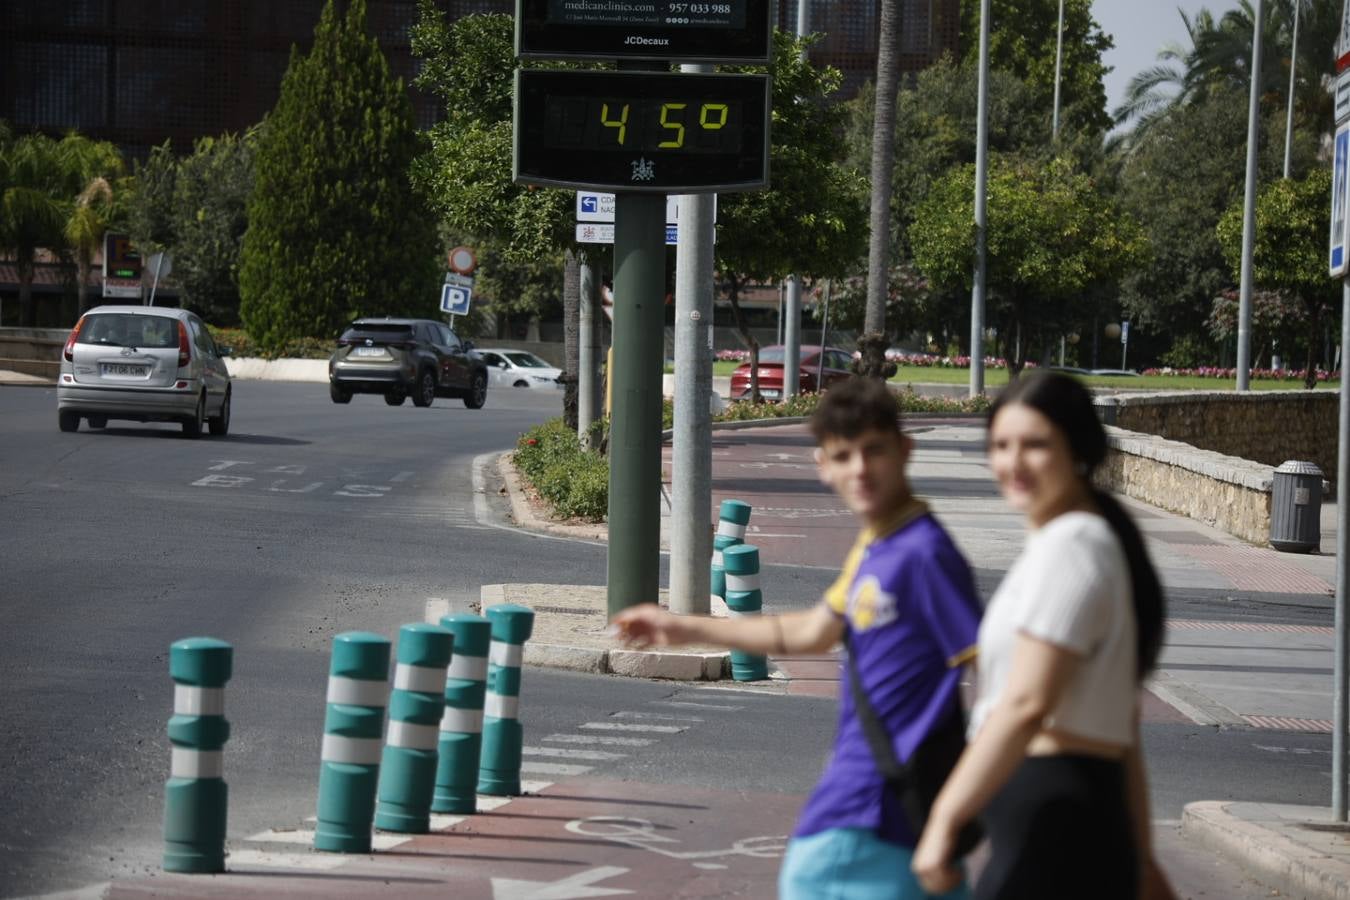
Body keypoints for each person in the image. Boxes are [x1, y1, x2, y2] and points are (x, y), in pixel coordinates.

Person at [613, 376, 982, 900]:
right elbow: (810, 631)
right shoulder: (877, 548)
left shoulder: (924, 556)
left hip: (873, 814)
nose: (860, 469)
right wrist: (685, 627)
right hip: (886, 813)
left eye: (873, 451)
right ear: (824, 467)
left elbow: (1000, 681)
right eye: (843, 455)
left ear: (905, 450)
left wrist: (951, 818)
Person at [911, 372, 1168, 899]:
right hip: (1064, 815)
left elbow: (1027, 702)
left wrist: (944, 818)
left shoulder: (1072, 547)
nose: (1014, 461)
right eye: (1001, 445)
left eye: (1035, 444)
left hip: (1056, 818)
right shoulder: (1077, 541)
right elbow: (1126, 731)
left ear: (1078, 449)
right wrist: (1141, 864)